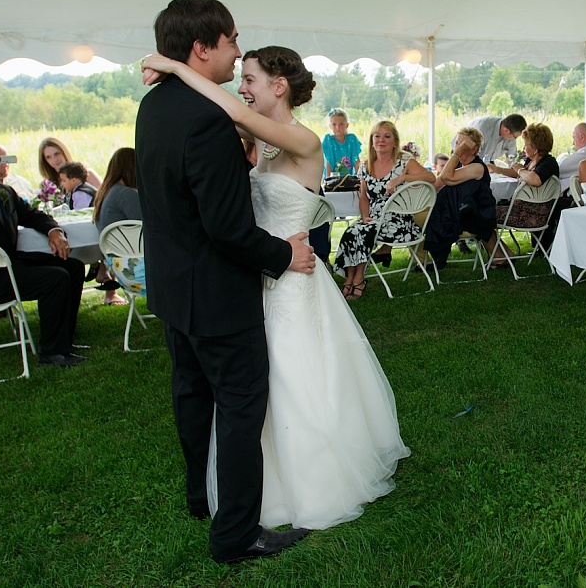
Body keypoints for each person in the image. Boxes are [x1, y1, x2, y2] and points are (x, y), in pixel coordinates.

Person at [143, 41, 410, 534]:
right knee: (254, 389)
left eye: (250, 80)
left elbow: (221, 106)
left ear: (279, 86)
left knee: (293, 380)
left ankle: (308, 482)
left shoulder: (303, 141)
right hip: (259, 276)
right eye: (240, 80)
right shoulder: (261, 143)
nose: (240, 89)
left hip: (293, 284)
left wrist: (178, 68)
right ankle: (258, 483)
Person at [134, 0, 315, 564]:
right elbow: (229, 229)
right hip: (216, 293)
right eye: (232, 40)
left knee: (191, 392)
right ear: (201, 48)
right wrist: (282, 255)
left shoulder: (154, 106)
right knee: (240, 407)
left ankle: (200, 494)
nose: (238, 52)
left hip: (171, 286)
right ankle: (236, 534)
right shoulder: (208, 121)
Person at [0, 134, 86, 367]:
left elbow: (31, 215)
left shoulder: (2, 190)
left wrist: (53, 231)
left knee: (72, 266)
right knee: (54, 278)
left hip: (7, 265)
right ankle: (51, 353)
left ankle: (64, 341)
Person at [333, 120, 436, 298]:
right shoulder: (366, 165)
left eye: (387, 136)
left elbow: (430, 177)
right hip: (373, 218)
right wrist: (365, 217)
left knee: (363, 233)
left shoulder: (404, 162)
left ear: (395, 141)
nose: (381, 140)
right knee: (351, 232)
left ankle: (359, 278)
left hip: (399, 220)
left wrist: (402, 178)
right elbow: (364, 197)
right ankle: (349, 279)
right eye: (377, 136)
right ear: (372, 141)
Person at [483, 122, 559, 266]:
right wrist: (497, 169)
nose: (523, 148)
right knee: (483, 209)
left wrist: (520, 171)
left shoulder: (548, 163)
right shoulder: (532, 161)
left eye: (526, 145)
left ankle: (500, 254)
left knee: (482, 213)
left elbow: (535, 179)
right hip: (522, 210)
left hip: (532, 215)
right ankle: (502, 252)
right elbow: (519, 173)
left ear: (535, 149)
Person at [423, 127, 496, 270]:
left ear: (474, 148)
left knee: (440, 216)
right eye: (456, 143)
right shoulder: (460, 165)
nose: (457, 147)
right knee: (435, 211)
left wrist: (455, 154)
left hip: (478, 215)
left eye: (462, 144)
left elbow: (445, 177)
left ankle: (436, 256)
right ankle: (501, 256)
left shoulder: (477, 167)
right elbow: (438, 183)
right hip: (465, 211)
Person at [92, 147, 141, 307]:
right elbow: (150, 229)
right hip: (139, 270)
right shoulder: (127, 195)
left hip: (119, 269)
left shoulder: (105, 194)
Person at [37, 137, 102, 192]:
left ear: (64, 152)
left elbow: (104, 198)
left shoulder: (88, 174)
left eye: (57, 154)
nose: (55, 159)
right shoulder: (47, 185)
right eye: (48, 157)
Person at [322, 108, 362, 176]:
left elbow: (357, 163)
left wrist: (360, 179)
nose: (337, 127)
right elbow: (328, 162)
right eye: (334, 124)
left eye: (341, 124)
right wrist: (329, 181)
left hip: (348, 179)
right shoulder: (328, 140)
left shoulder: (352, 139)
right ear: (330, 126)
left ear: (347, 125)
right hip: (333, 178)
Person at [557, 122, 586, 189]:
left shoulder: (585, 153)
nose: (573, 143)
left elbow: (560, 170)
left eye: (574, 138)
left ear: (582, 137)